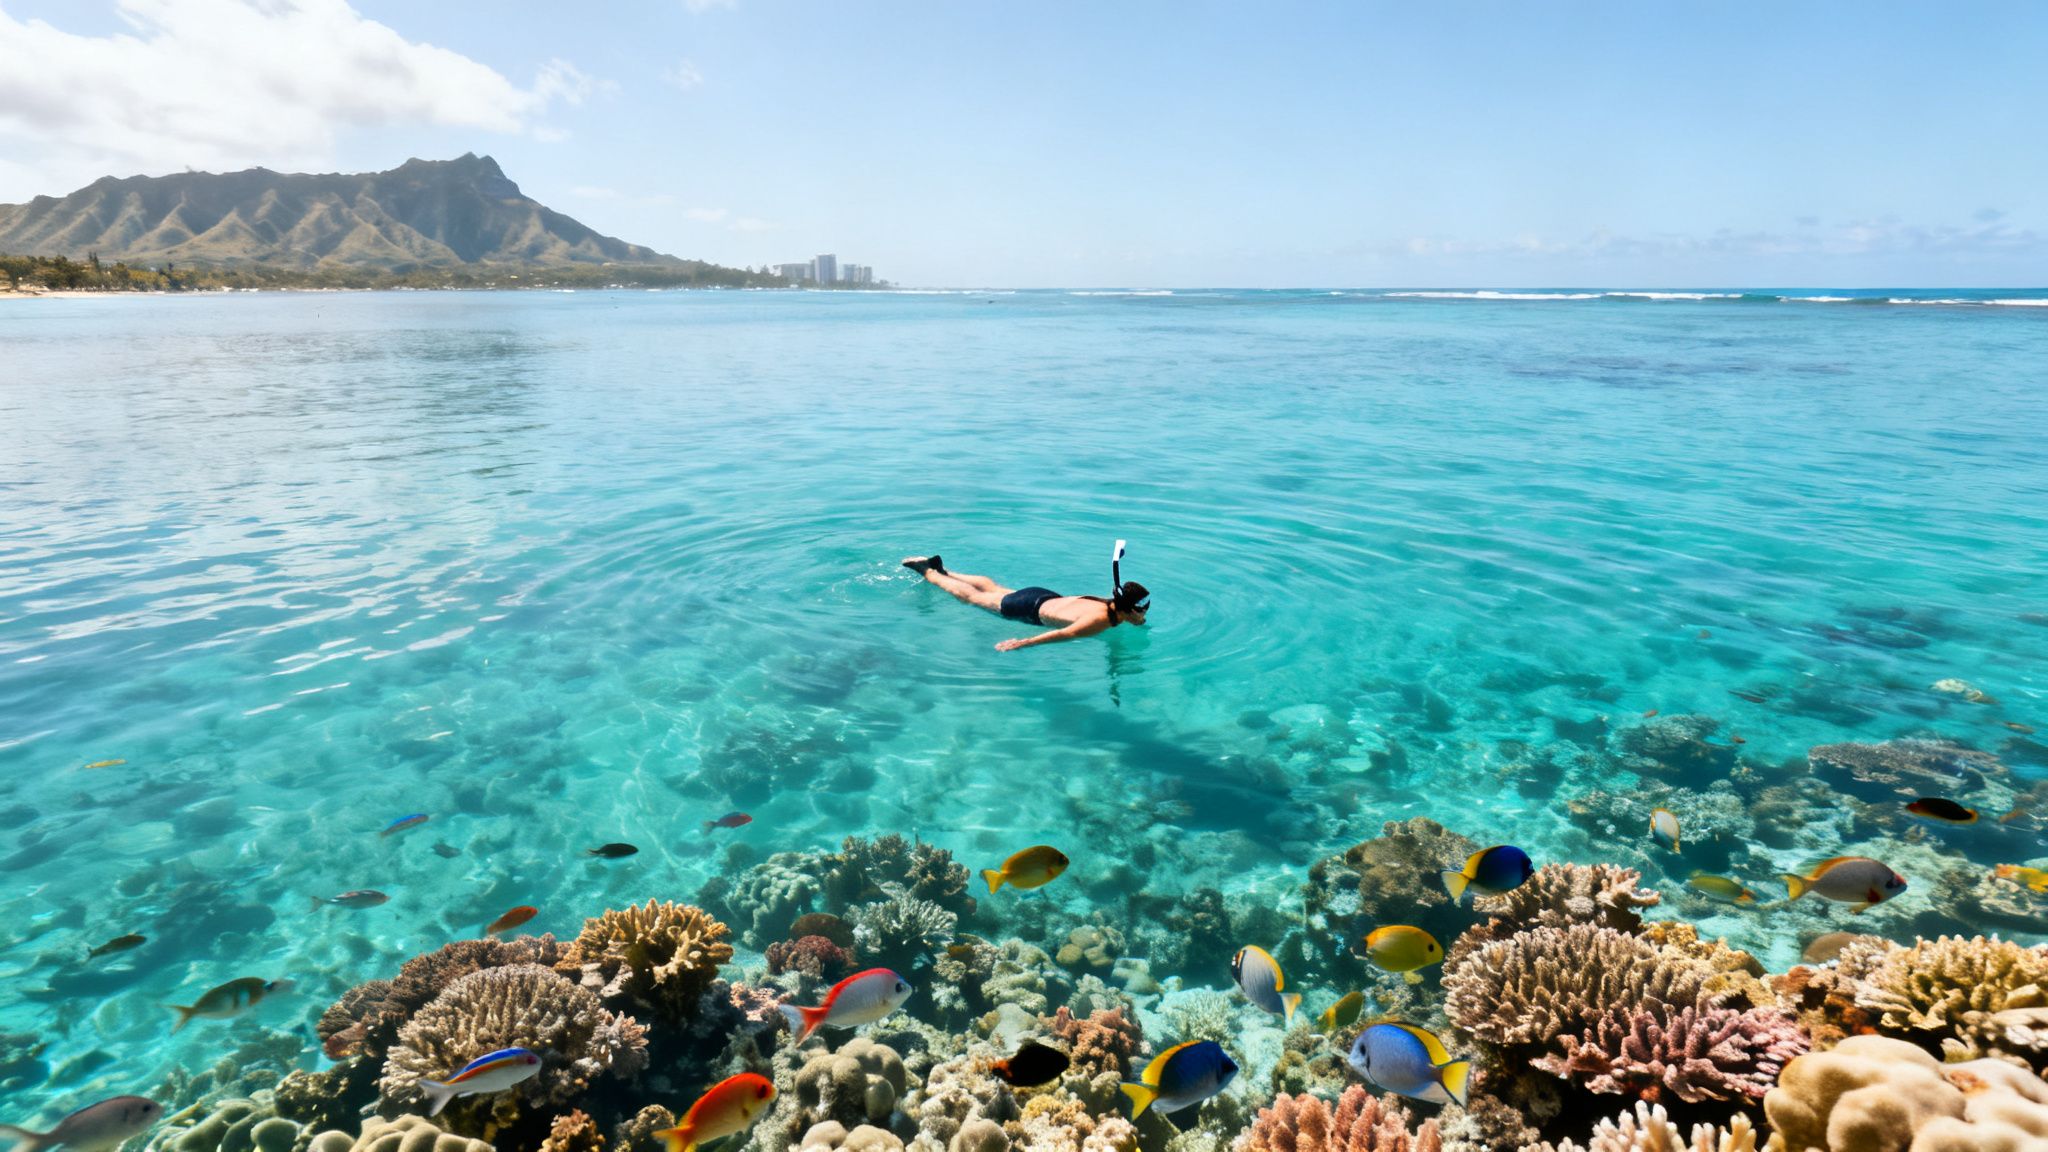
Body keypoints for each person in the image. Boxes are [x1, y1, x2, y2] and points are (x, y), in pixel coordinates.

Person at [902, 554, 1149, 651]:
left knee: (992, 588)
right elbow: (1064, 634)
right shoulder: (1101, 621)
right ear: (1128, 610)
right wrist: (1022, 642)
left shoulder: (1104, 603)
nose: (1143, 616)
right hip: (1028, 609)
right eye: (1141, 611)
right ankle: (927, 571)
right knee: (972, 597)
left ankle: (946, 570)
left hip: (1040, 595)